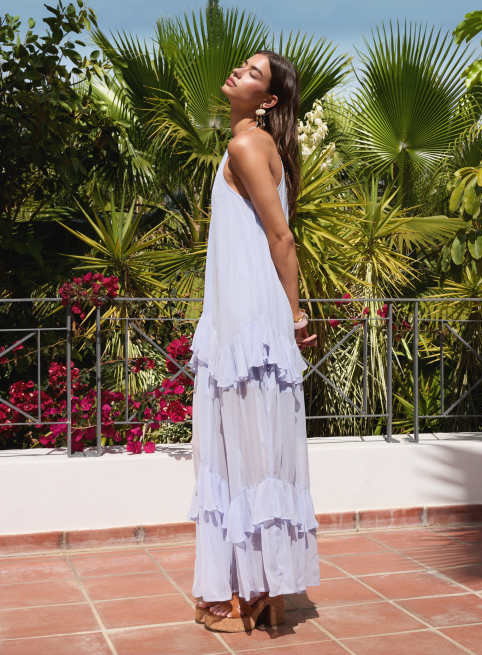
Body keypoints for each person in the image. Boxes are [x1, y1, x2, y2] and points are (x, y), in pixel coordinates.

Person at [186, 50, 320, 633]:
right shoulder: (257, 145)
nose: (239, 71)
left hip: (247, 319)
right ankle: (262, 585)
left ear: (267, 101)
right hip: (242, 314)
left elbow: (281, 237)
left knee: (244, 448)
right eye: (243, 65)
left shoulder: (245, 145)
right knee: (251, 445)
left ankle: (257, 590)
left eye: (254, 73)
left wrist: (293, 315)